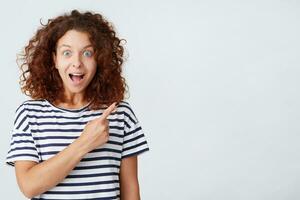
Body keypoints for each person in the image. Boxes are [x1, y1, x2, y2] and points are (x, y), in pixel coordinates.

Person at [6, 9, 149, 200]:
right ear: (54, 60)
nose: (77, 63)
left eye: (87, 53)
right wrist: (84, 143)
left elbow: (131, 192)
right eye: (67, 53)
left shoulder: (120, 114)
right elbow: (29, 187)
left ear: (99, 59)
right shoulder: (29, 114)